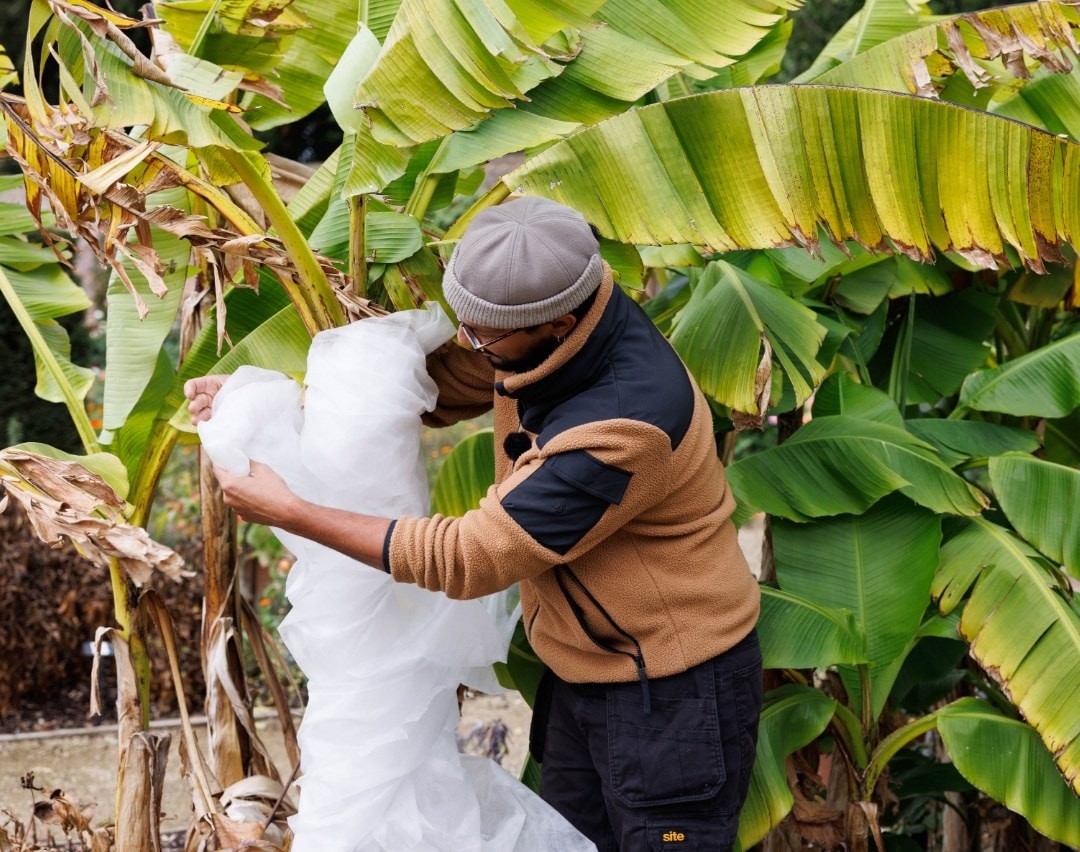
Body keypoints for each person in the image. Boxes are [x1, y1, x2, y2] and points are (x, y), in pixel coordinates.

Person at [185, 196, 762, 851]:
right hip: (585, 675)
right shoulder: (553, 326)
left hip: (669, 693)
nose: (471, 343)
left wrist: (294, 514)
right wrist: (274, 406)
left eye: (487, 336)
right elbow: (445, 382)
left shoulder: (624, 422)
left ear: (558, 323)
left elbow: (474, 556)